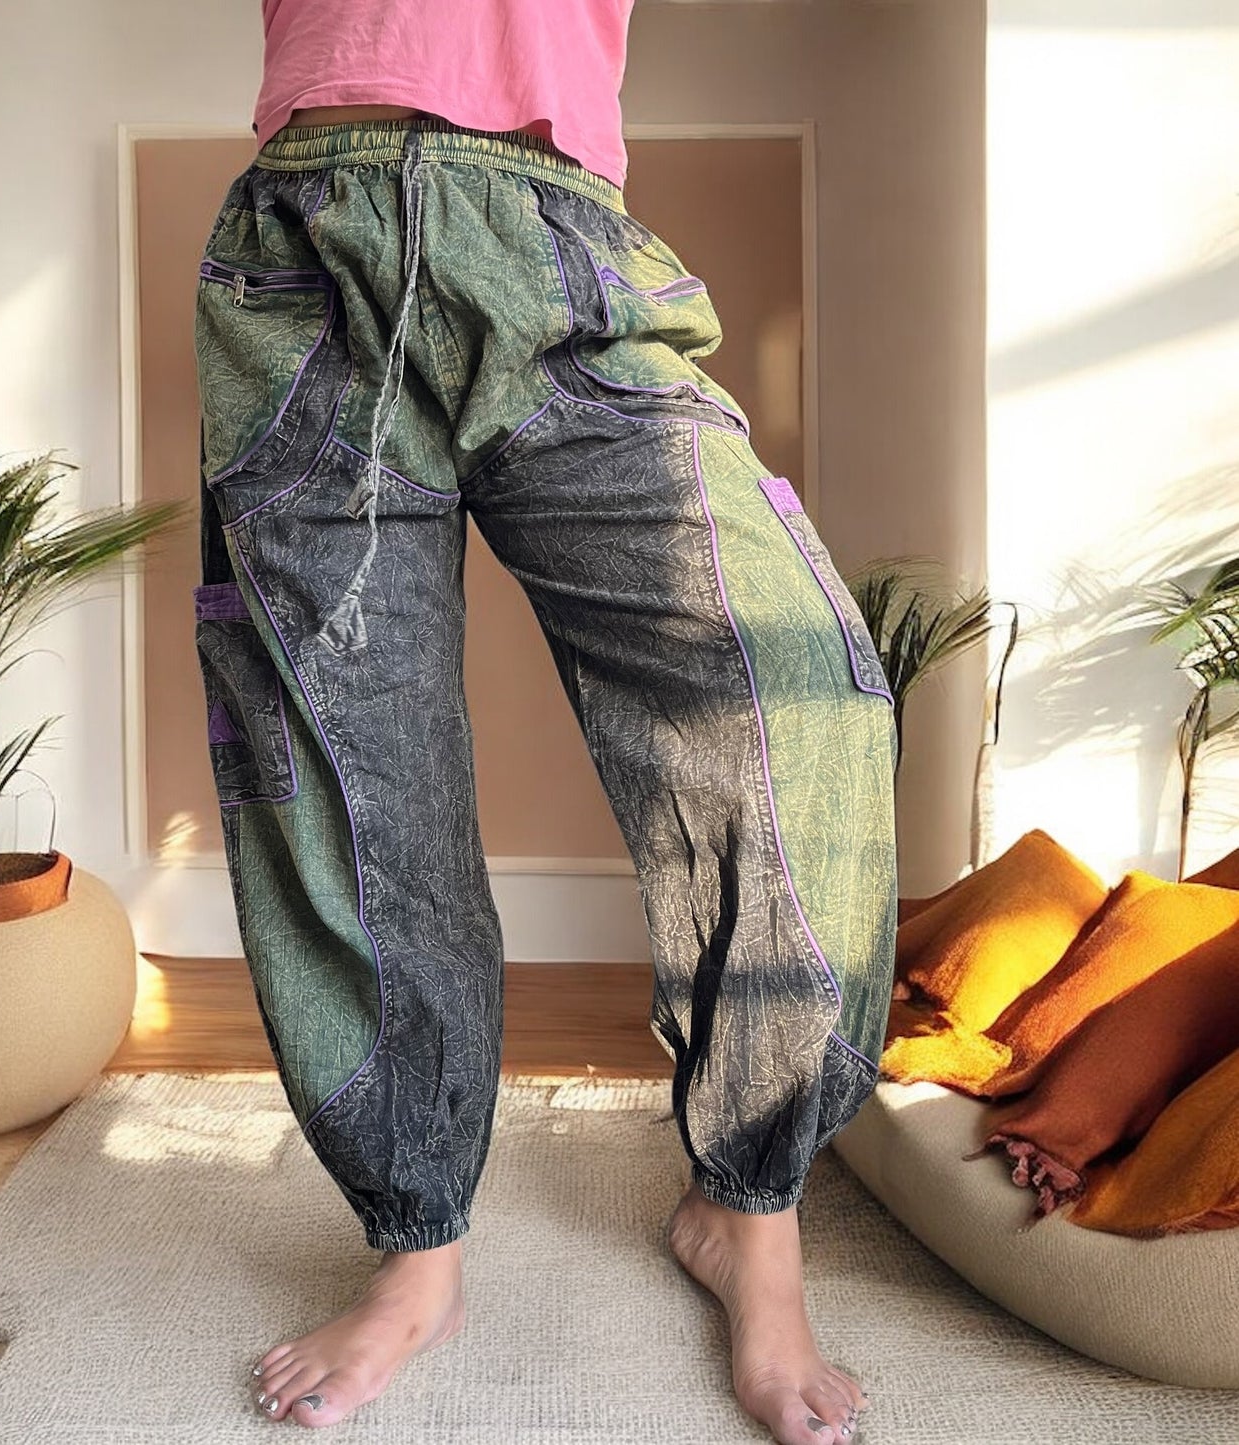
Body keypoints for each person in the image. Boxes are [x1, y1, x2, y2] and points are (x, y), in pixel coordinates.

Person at [191, 3, 897, 1441]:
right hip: (305, 254)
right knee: (347, 766)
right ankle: (416, 1251)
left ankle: (748, 1214)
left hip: (559, 239)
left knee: (795, 693)